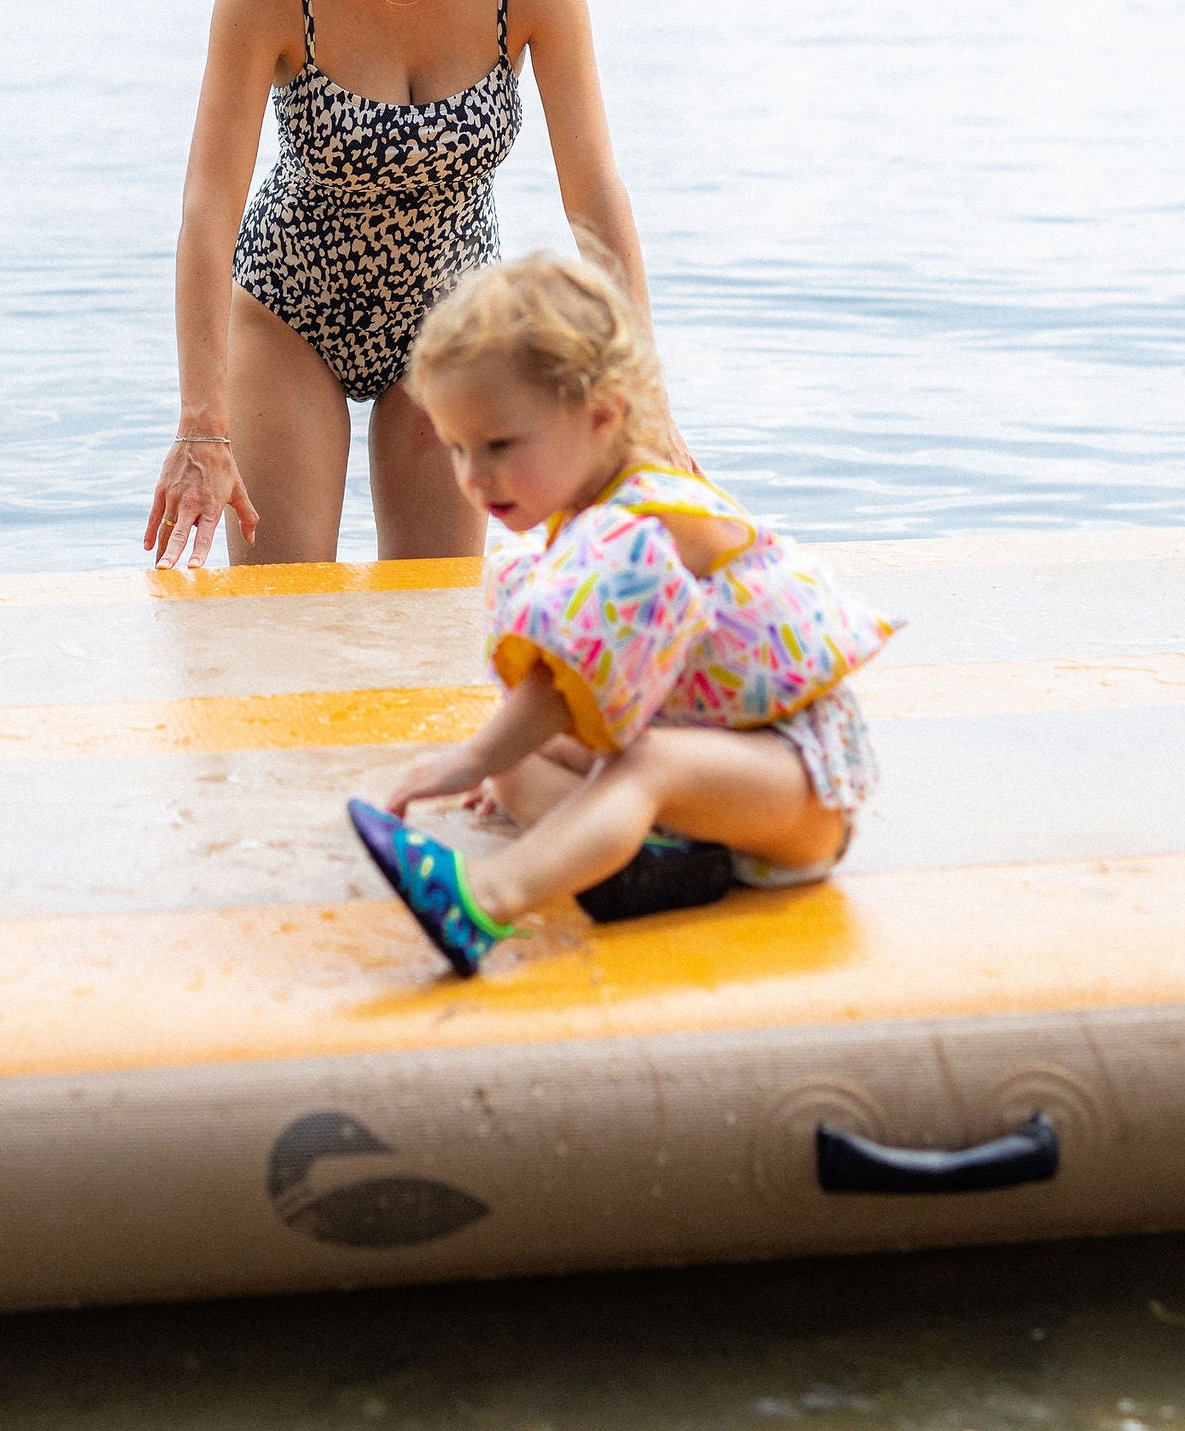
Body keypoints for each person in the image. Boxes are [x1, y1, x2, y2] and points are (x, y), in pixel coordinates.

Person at [145, 0, 652, 570]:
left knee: (432, 620)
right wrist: (202, 420)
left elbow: (594, 192)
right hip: (288, 310)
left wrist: (642, 402)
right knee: (280, 616)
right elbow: (206, 207)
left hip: (451, 322)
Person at [346, 252, 896, 976]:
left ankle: (482, 900)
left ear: (603, 414)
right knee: (516, 772)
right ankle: (660, 863)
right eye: (455, 448)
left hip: (796, 789)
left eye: (499, 445)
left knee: (640, 763)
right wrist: (496, 765)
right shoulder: (591, 516)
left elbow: (564, 677)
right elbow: (568, 700)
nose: (473, 477)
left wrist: (472, 757)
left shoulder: (649, 523)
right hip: (725, 774)